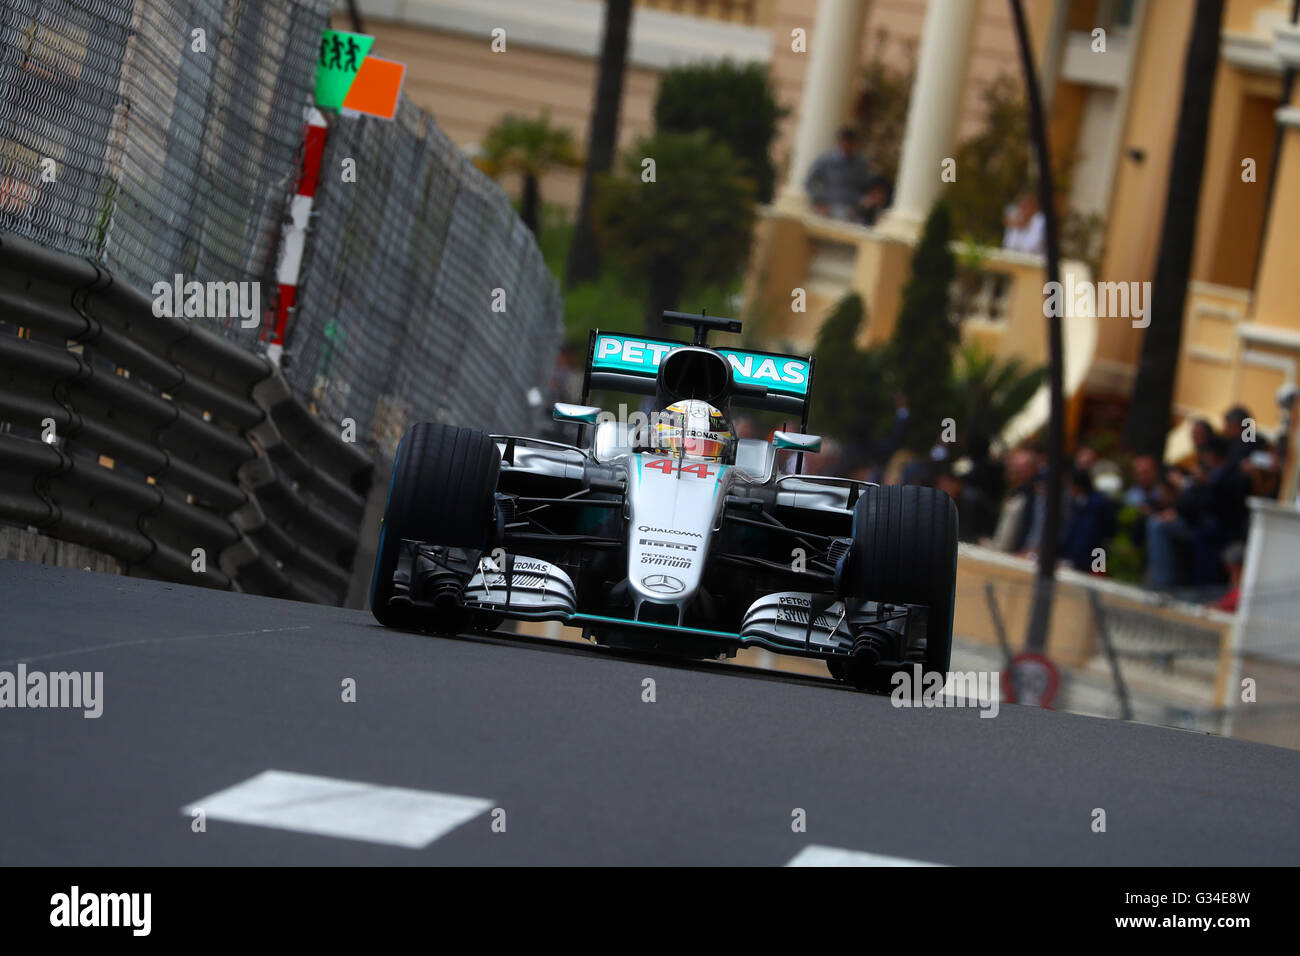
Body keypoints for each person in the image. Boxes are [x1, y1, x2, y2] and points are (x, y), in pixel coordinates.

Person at [804, 126, 873, 222]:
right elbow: (810, 182)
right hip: (829, 208)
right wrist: (819, 202)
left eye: (850, 142)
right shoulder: (825, 160)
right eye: (844, 142)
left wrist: (861, 204)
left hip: (853, 212)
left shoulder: (860, 164)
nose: (846, 145)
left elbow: (864, 187)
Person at [1002, 190, 1046, 255]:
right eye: (1022, 205)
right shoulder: (1016, 217)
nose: (1023, 208)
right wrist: (1018, 227)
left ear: (1035, 207)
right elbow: (1009, 246)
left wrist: (1022, 226)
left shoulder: (1041, 220)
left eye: (1027, 205)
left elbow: (1031, 248)